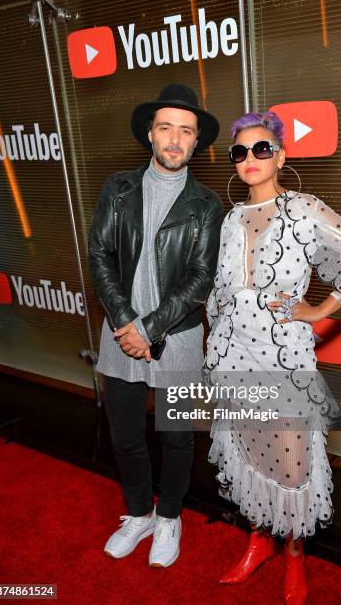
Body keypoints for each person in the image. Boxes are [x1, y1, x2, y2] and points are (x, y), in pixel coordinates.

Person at [204, 111, 341, 602]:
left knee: (291, 460)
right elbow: (223, 289)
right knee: (247, 449)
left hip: (284, 356)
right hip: (233, 354)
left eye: (261, 149)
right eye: (240, 152)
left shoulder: (304, 209)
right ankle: (257, 542)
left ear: (281, 157)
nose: (250, 159)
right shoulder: (230, 220)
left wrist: (318, 310)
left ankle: (294, 557)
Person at [88, 84, 223, 568]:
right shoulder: (118, 189)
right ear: (150, 133)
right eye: (166, 127)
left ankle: (170, 517)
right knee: (124, 434)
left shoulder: (206, 204)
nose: (174, 138)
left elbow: (201, 278)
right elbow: (100, 256)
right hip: (118, 335)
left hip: (180, 338)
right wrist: (127, 322)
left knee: (176, 435)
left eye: (185, 131)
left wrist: (150, 329)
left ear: (194, 143)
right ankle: (139, 512)